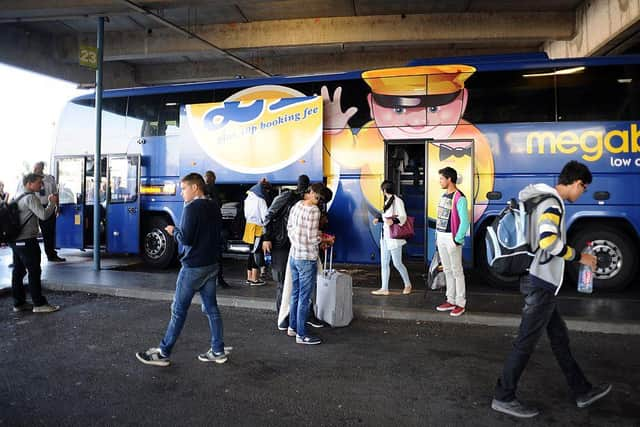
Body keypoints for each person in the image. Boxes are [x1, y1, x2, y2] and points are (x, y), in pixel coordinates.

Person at [491, 161, 611, 418]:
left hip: (538, 281)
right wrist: (580, 257)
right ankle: (503, 396)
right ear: (577, 183)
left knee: (559, 338)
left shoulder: (540, 199)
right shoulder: (552, 203)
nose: (582, 194)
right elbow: (548, 241)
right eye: (584, 189)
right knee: (525, 342)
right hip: (540, 282)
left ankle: (582, 391)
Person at [136, 173, 227, 367]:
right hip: (211, 265)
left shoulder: (192, 208)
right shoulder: (213, 205)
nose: (182, 192)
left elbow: (185, 239)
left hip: (193, 267)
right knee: (211, 309)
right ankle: (218, 350)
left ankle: (163, 352)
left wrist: (173, 230)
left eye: (184, 188)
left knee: (178, 310)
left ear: (195, 188)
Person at [286, 183, 334, 345]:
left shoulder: (297, 205)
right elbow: (312, 238)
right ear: (315, 195)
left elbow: (290, 228)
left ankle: (293, 327)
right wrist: (326, 239)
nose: (318, 200)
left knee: (295, 294)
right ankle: (302, 334)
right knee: (304, 298)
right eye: (319, 197)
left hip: (294, 255)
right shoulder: (314, 211)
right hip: (306, 258)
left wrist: (297, 242)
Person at [262, 174, 310, 327]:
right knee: (283, 281)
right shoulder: (287, 196)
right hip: (281, 243)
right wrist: (266, 237)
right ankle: (283, 317)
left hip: (293, 244)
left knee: (292, 282)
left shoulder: (304, 201)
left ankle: (291, 317)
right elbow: (269, 215)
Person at [10, 173, 60, 313]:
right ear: (29, 184)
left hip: (15, 241)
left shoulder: (17, 196)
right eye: (39, 183)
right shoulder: (31, 198)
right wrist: (52, 203)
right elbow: (43, 215)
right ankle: (39, 304)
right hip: (27, 241)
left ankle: (18, 303)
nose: (41, 185)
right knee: (34, 272)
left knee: (18, 272)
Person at [434, 167, 470, 317]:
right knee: (447, 270)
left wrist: (457, 239)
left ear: (449, 179)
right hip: (442, 237)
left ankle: (460, 303)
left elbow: (465, 221)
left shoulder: (459, 197)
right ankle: (450, 299)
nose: (440, 181)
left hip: (451, 238)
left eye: (442, 178)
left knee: (457, 271)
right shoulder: (444, 195)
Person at [371, 180, 412, 296]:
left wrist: (393, 220)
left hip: (394, 238)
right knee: (384, 263)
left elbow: (403, 217)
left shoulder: (397, 201)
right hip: (385, 237)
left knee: (397, 263)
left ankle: (408, 284)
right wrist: (379, 220)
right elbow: (386, 218)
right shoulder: (388, 201)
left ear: (384, 190)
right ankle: (384, 288)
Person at [33, 161, 65, 262]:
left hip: (48, 205)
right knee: (29, 232)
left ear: (42, 168)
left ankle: (51, 255)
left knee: (49, 233)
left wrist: (57, 207)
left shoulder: (49, 179)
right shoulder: (30, 179)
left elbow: (55, 193)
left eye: (38, 167)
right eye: (35, 168)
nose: (36, 169)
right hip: (33, 206)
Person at [203, 170, 229, 288]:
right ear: (213, 178)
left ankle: (209, 279)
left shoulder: (203, 192)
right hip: (215, 227)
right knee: (217, 255)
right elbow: (218, 204)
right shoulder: (214, 189)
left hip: (207, 228)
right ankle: (219, 279)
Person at [242, 178, 269, 286]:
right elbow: (266, 216)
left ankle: (249, 277)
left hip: (249, 227)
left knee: (251, 253)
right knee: (256, 253)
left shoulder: (248, 198)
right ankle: (254, 279)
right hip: (257, 228)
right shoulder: (260, 200)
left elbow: (245, 215)